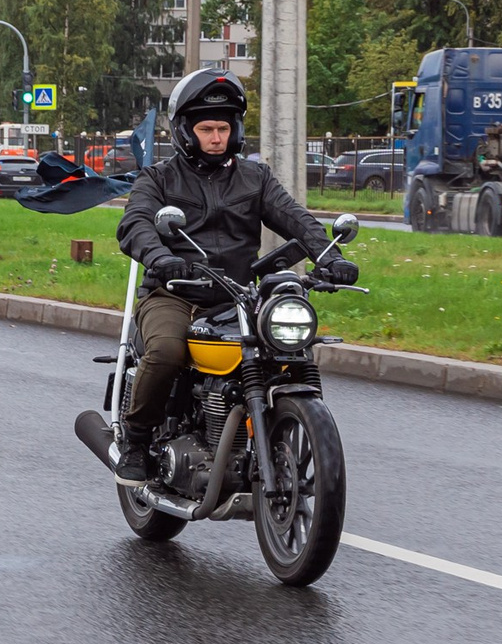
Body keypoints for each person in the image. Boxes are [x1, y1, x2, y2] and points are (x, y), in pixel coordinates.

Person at [111, 69, 356, 483]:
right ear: (185, 131)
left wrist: (329, 256)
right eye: (206, 129)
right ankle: (136, 441)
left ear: (236, 131)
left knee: (286, 350)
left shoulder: (255, 178)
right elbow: (134, 224)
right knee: (167, 351)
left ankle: (276, 434)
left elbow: (294, 217)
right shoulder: (159, 178)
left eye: (223, 128)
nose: (216, 138)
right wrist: (161, 258)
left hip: (237, 297)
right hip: (175, 293)